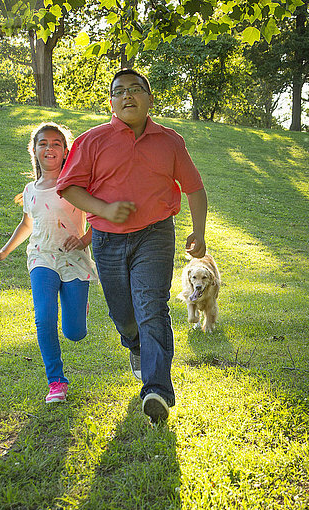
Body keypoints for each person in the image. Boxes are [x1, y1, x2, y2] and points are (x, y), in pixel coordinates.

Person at [57, 68, 207, 424]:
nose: (128, 95)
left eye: (136, 89)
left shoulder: (170, 141)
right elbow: (70, 187)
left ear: (149, 99)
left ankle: (157, 390)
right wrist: (104, 209)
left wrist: (198, 231)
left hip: (155, 235)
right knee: (124, 315)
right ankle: (135, 346)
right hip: (107, 239)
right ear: (111, 102)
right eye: (120, 91)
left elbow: (195, 188)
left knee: (151, 306)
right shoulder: (92, 141)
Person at [0, 122, 98, 403]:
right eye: (43, 144)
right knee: (44, 318)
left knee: (74, 333)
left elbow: (100, 219)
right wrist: (4, 251)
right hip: (41, 257)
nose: (49, 148)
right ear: (34, 150)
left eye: (56, 144)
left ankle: (78, 307)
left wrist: (83, 242)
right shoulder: (30, 190)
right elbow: (27, 224)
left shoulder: (76, 185)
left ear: (65, 151)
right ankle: (56, 382)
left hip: (74, 260)